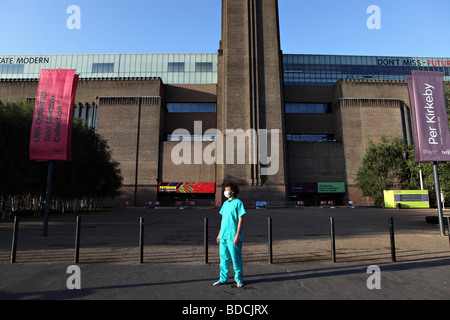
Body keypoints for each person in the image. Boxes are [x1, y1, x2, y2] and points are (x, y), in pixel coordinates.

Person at [213, 183, 246, 288]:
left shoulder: (238, 203)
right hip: (223, 236)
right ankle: (222, 279)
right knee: (224, 259)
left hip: (233, 236)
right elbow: (223, 221)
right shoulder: (225, 204)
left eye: (228, 189)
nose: (226, 191)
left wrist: (237, 235)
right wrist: (219, 234)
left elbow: (240, 220)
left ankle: (239, 279)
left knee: (236, 259)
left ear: (233, 192)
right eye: (225, 189)